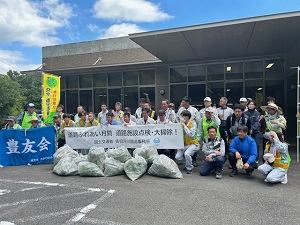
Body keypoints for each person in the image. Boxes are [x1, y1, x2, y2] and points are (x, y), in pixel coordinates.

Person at [175, 110, 199, 174]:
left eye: (184, 116)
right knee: (177, 157)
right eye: (181, 116)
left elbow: (191, 134)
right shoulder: (180, 124)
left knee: (187, 154)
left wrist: (184, 126)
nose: (182, 117)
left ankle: (189, 168)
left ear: (188, 117)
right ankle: (187, 163)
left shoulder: (193, 123)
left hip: (193, 144)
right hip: (184, 144)